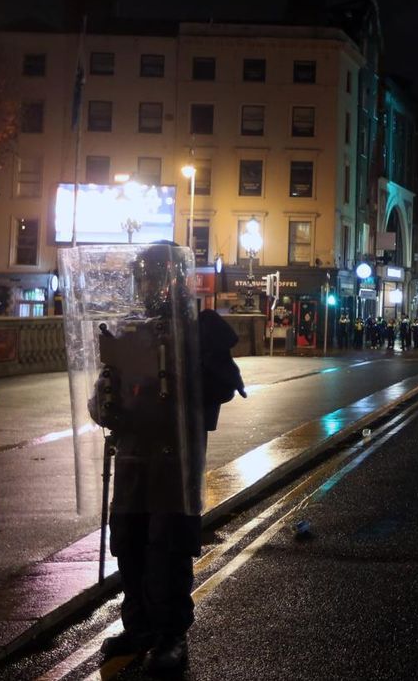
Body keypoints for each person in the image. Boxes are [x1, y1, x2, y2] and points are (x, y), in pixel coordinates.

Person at [91, 243, 244, 673]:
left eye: (153, 278)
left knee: (166, 547)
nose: (146, 287)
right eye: (142, 278)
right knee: (130, 542)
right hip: (133, 457)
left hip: (174, 460)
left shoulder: (200, 330)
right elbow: (103, 392)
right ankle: (138, 625)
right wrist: (104, 404)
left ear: (174, 281)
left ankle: (170, 634)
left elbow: (223, 389)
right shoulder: (129, 330)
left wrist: (189, 369)